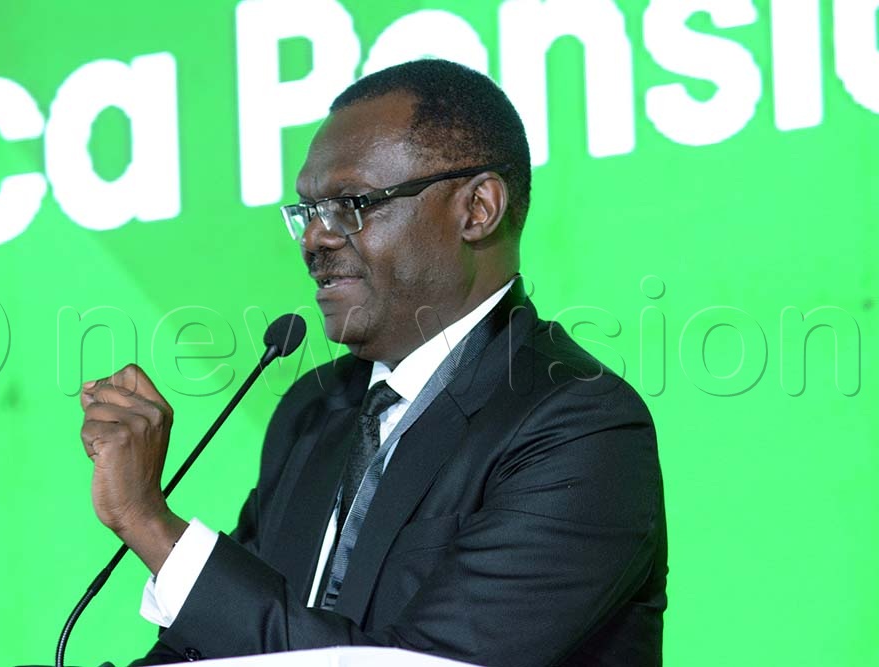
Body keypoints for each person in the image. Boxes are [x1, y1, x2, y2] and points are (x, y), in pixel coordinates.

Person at [79, 59, 667, 667]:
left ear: (477, 208)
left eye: (351, 203)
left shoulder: (579, 426)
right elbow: (221, 650)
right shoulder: (312, 410)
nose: (314, 239)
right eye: (308, 212)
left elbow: (425, 663)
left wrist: (149, 523)